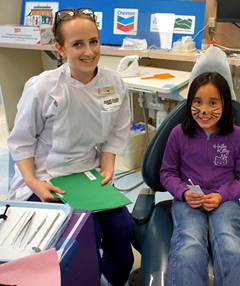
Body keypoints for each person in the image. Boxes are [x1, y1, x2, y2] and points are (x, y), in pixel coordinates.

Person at [7, 8, 134, 286]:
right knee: (89, 231)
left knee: (124, 227)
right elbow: (21, 141)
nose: (88, 52)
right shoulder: (43, 87)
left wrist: (108, 168)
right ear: (60, 48)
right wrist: (33, 182)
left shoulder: (114, 84)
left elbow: (116, 132)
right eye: (77, 44)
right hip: (46, 177)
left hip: (88, 176)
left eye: (94, 42)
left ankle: (115, 279)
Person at [160, 47, 240, 286]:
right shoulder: (178, 134)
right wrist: (182, 192)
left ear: (226, 104)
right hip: (188, 201)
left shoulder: (238, 136)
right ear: (189, 102)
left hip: (225, 201)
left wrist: (222, 194)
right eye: (197, 102)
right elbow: (167, 173)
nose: (204, 110)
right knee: (189, 245)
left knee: (231, 244)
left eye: (213, 102)